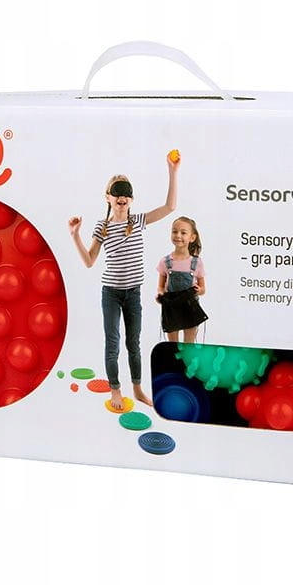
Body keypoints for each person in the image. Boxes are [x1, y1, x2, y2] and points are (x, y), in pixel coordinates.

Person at [68, 156, 179, 410]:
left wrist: (172, 171)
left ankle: (138, 389)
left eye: (127, 192)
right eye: (117, 192)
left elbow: (170, 207)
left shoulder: (137, 222)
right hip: (111, 293)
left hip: (133, 293)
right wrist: (75, 236)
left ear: (131, 198)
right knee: (113, 343)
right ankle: (115, 390)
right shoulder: (103, 227)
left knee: (133, 344)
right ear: (108, 197)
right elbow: (89, 261)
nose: (122, 197)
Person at [156, 217, 207, 343]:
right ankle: (173, 357)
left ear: (192, 237)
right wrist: (160, 294)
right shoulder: (165, 262)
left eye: (183, 233)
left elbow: (203, 289)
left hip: (189, 306)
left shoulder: (196, 262)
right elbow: (161, 286)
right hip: (171, 307)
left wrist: (199, 290)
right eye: (174, 231)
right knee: (173, 344)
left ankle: (187, 357)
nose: (178, 235)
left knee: (189, 343)